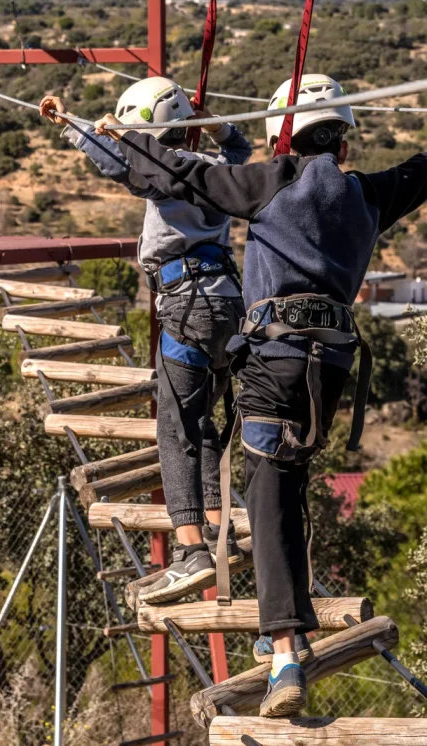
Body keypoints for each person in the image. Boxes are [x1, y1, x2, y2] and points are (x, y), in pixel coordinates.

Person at [98, 73, 427, 717]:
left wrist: (121, 138)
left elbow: (179, 178)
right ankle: (285, 624)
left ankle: (283, 655)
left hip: (275, 361)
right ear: (343, 138)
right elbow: (422, 170)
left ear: (286, 134)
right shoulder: (367, 194)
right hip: (329, 367)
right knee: (288, 488)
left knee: (270, 497)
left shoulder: (272, 183)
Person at [39, 76, 252, 603]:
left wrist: (71, 123)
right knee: (200, 420)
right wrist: (213, 122)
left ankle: (191, 551)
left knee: (174, 425)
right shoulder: (219, 171)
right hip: (229, 302)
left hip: (187, 302)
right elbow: (241, 146)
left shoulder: (162, 174)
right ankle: (217, 527)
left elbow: (114, 163)